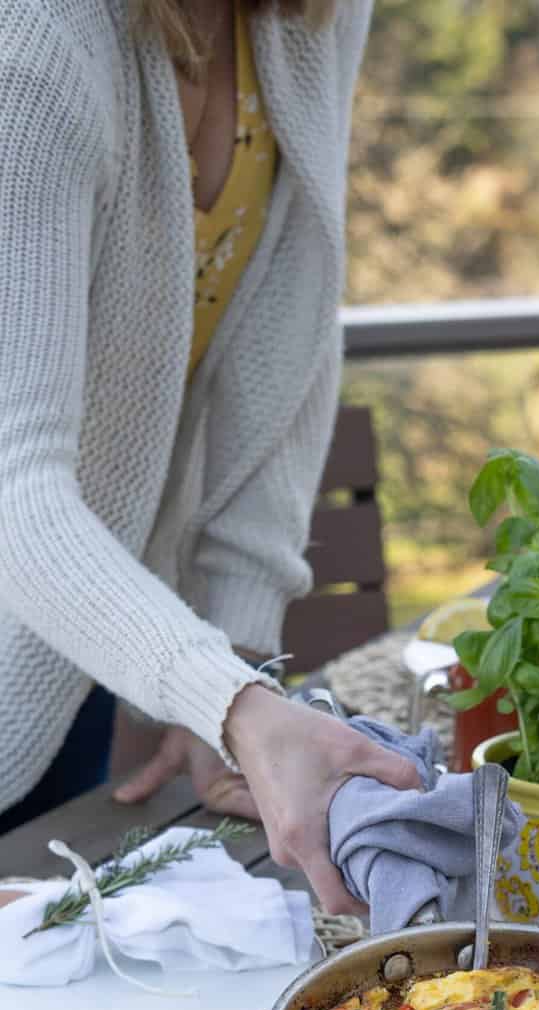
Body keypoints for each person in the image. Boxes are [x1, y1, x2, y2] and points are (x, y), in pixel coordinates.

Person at [0, 0, 419, 914]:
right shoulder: (31, 43)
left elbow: (292, 330)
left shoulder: (316, 13)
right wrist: (234, 703)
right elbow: (11, 492)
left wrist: (238, 663)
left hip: (67, 653)